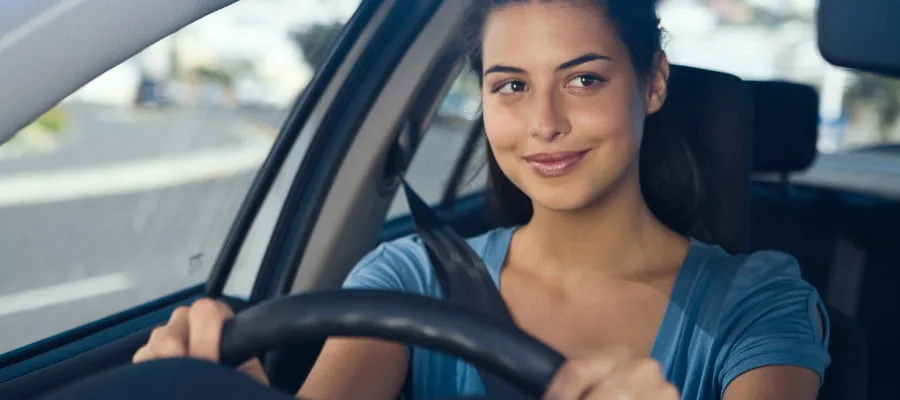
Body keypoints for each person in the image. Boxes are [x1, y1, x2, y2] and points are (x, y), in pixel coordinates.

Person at [132, 0, 831, 399]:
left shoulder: (757, 301)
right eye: (511, 85)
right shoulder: (410, 279)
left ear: (652, 83)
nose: (544, 123)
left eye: (583, 80)